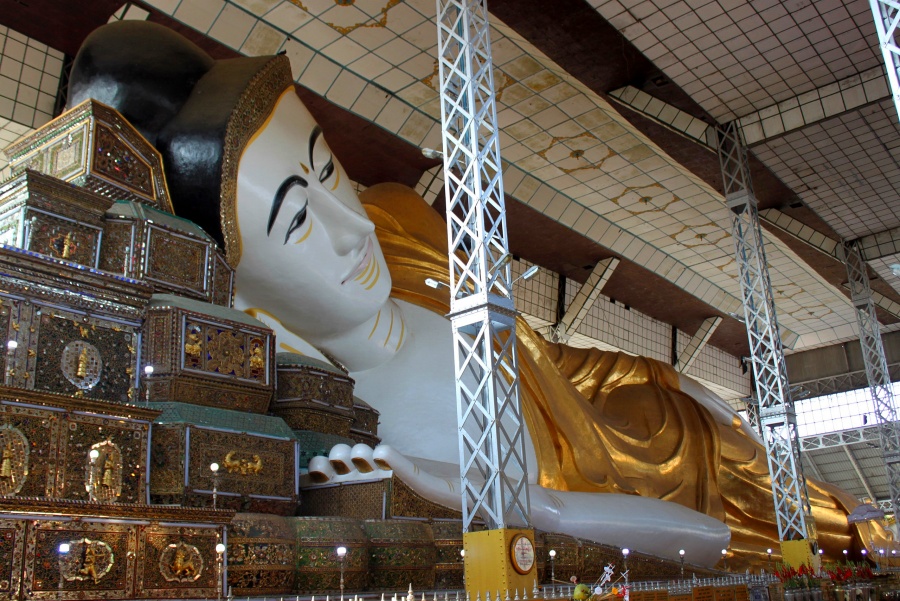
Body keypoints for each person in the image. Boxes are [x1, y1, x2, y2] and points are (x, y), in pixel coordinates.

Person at [65, 21, 887, 569]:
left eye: (326, 170)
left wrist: (663, 379)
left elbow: (540, 350)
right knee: (816, 530)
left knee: (737, 436)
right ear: (249, 297)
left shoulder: (394, 219)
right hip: (645, 505)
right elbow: (611, 535)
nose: (347, 226)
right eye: (298, 219)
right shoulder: (376, 439)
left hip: (623, 408)